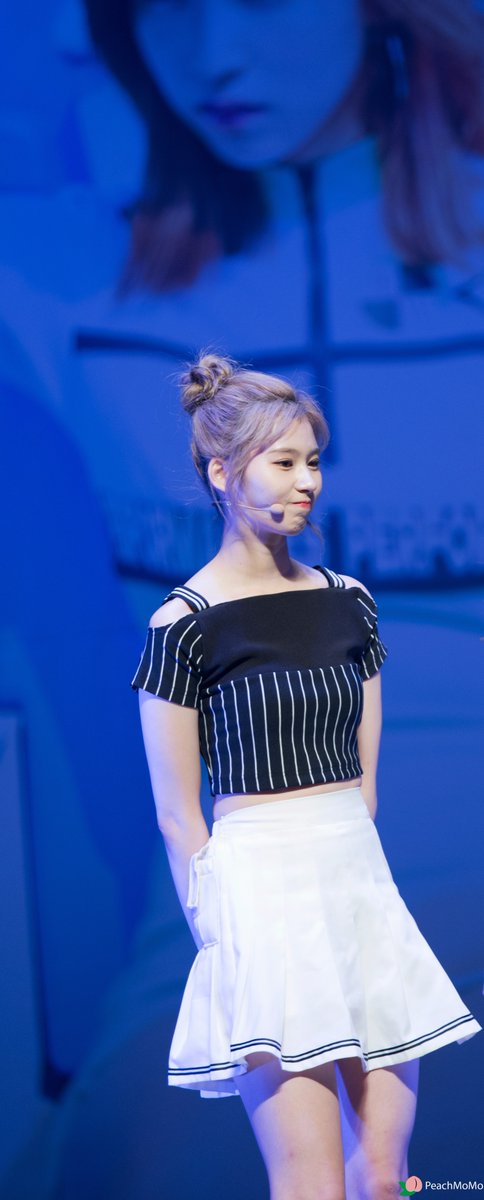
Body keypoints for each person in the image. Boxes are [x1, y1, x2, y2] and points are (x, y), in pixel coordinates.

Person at [131, 352, 481, 1200]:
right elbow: (178, 815)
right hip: (262, 899)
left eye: (313, 461)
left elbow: (365, 779)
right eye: (283, 462)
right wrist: (222, 938)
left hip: (355, 889)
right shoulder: (184, 623)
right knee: (312, 1184)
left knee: (385, 1177)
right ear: (222, 473)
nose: (306, 482)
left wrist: (355, 874)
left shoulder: (349, 601)